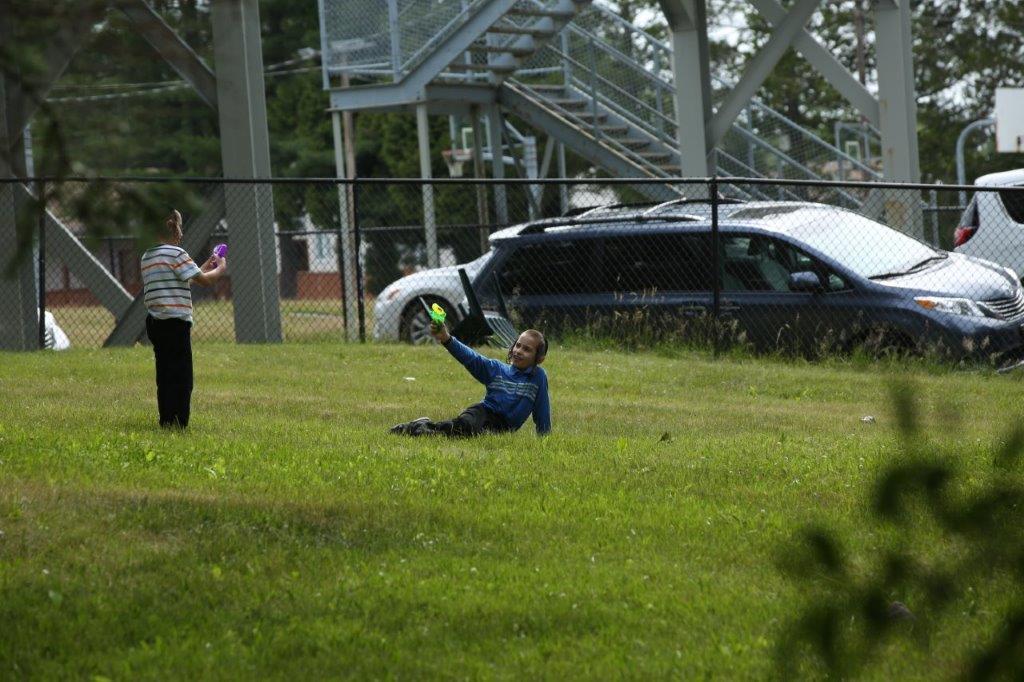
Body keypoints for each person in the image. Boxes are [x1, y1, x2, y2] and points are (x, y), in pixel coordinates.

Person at [390, 321, 551, 437]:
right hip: (483, 413)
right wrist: (446, 338)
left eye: (527, 349)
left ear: (539, 358)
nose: (519, 351)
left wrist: (545, 440)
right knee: (462, 428)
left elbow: (542, 411)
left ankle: (423, 427)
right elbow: (471, 358)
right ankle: (414, 428)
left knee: (467, 436)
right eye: (518, 345)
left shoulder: (538, 378)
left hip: (502, 428)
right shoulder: (497, 370)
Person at [141, 209, 227, 428]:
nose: (182, 233)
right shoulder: (177, 254)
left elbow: (180, 279)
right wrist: (220, 270)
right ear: (173, 227)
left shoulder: (148, 256)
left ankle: (166, 419)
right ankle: (180, 421)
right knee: (182, 375)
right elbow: (204, 282)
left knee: (165, 373)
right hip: (176, 323)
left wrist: (204, 266)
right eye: (181, 226)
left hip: (156, 323)